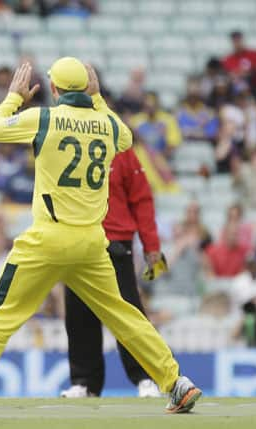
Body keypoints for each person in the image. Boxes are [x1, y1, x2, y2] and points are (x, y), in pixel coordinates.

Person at [0, 58, 202, 414]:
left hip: (48, 237)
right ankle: (175, 382)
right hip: (91, 241)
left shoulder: (44, 118)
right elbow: (127, 137)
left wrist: (13, 97)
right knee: (124, 314)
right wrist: (99, 97)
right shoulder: (107, 123)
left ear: (54, 89)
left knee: (1, 311)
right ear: (87, 88)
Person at [60, 147, 164, 399]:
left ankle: (146, 377)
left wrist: (152, 245)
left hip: (114, 241)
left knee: (128, 311)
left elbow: (142, 198)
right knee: (78, 312)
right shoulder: (66, 142)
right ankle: (85, 383)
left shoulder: (122, 149)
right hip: (76, 239)